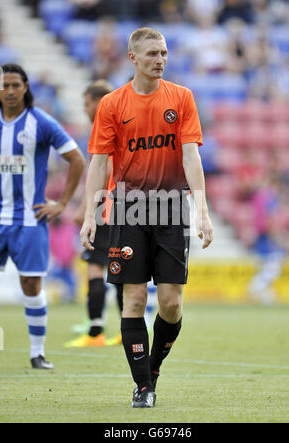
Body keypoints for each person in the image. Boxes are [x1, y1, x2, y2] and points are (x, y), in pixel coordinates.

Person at [80, 28, 213, 408]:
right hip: (127, 207)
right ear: (132, 58)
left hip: (171, 205)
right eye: (153, 53)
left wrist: (201, 209)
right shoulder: (111, 104)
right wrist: (91, 214)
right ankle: (142, 387)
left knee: (171, 304)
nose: (161, 59)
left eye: (165, 53)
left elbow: (191, 156)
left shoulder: (182, 98)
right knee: (133, 298)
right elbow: (99, 162)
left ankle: (150, 372)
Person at [0, 64, 85, 369]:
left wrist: (61, 204)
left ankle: (37, 353)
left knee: (31, 284)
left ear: (25, 88)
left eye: (15, 85)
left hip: (30, 219)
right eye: (4, 85)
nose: (9, 91)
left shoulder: (41, 122)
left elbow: (76, 159)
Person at [64, 80, 124, 348]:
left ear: (98, 102)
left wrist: (86, 209)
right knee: (123, 271)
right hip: (125, 207)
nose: (85, 109)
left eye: (87, 103)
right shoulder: (123, 122)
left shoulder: (106, 126)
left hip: (106, 208)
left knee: (95, 268)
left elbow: (107, 170)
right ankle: (127, 330)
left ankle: (95, 333)